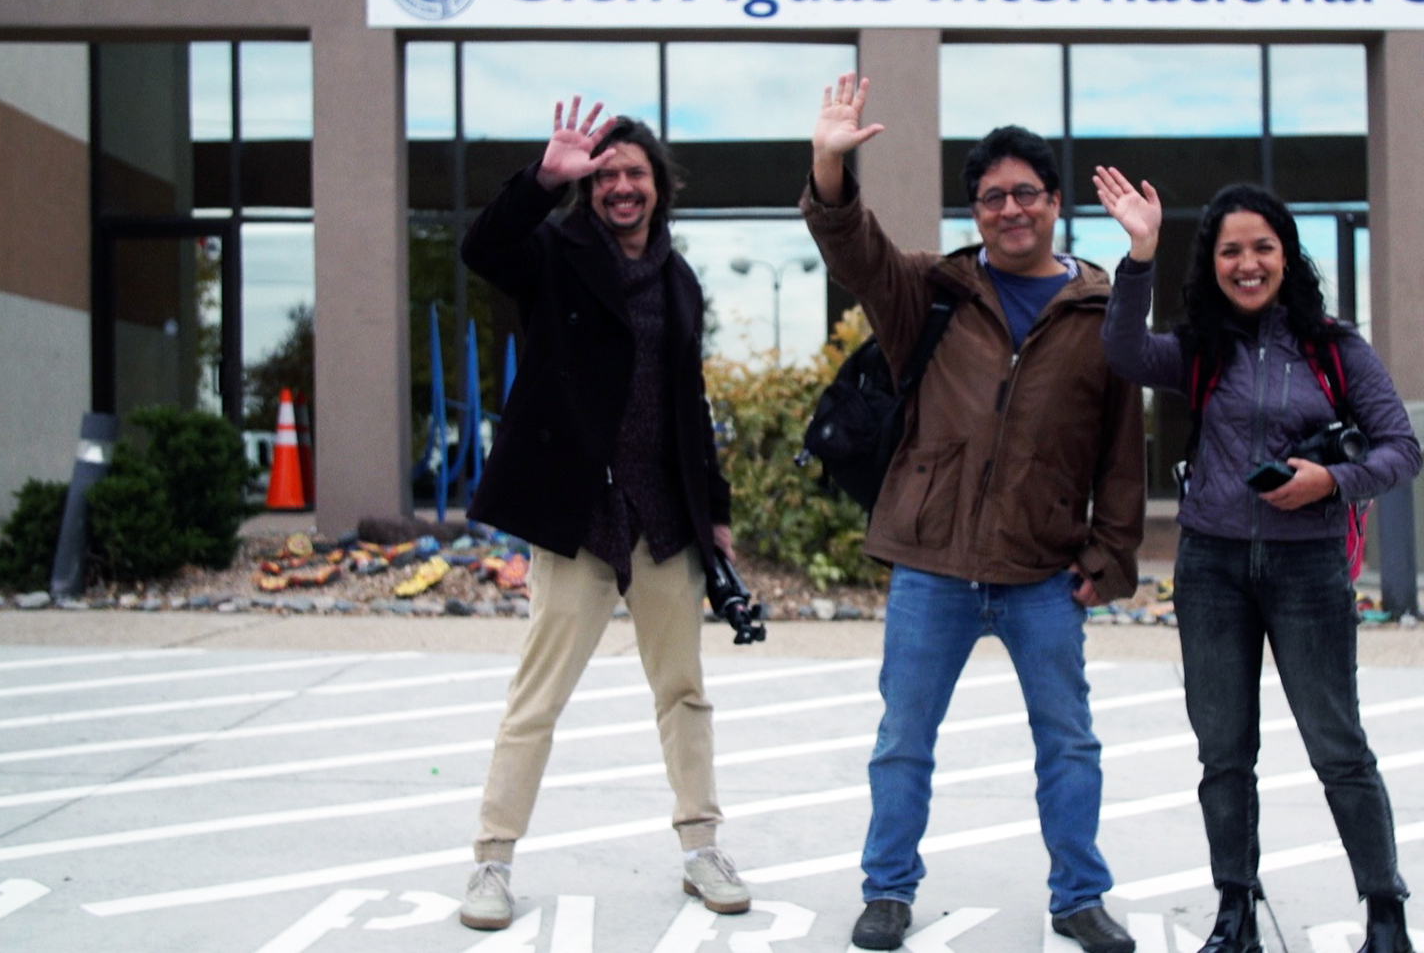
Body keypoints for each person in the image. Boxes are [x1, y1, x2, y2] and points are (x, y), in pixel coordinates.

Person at [803, 74, 1146, 953]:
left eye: (1025, 192)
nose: (1009, 209)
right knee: (901, 743)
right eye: (991, 197)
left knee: (1069, 745)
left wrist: (1107, 558)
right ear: (977, 212)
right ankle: (887, 890)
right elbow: (852, 248)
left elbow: (1118, 451)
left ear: (1055, 203)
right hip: (932, 562)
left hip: (1040, 571)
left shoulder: (1101, 310)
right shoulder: (933, 291)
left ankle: (1079, 898)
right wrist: (831, 169)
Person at [1095, 168, 1423, 953]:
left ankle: (1384, 913)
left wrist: (1330, 481)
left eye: (1263, 247)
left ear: (1286, 255)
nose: (1247, 263)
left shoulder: (1332, 346)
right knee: (1223, 752)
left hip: (1308, 570)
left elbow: (1401, 449)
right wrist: (1139, 253)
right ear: (1211, 262)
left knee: (1336, 746)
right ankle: (1234, 910)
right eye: (1230, 250)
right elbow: (1123, 350)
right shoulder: (1200, 349)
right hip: (1210, 568)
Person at [454, 99, 747, 930]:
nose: (622, 187)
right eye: (608, 174)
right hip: (576, 511)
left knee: (683, 690)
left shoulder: (680, 280)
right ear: (590, 187)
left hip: (662, 514)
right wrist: (543, 179)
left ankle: (701, 847)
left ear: (659, 188)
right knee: (536, 695)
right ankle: (491, 862)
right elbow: (484, 247)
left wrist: (713, 512)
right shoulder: (552, 253)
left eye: (635, 174)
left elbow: (688, 400)